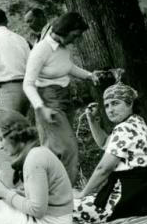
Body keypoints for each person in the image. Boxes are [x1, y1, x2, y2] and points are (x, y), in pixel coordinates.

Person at [23, 11, 100, 186]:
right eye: (75, 35)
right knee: (69, 148)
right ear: (66, 30)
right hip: (48, 101)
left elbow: (67, 66)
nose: (76, 39)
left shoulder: (63, 48)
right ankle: (65, 191)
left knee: (53, 150)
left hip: (65, 98)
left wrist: (89, 75)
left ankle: (47, 190)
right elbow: (28, 83)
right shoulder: (42, 49)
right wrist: (41, 107)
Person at [75, 82, 147, 223]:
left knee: (66, 206)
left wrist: (82, 193)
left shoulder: (123, 129)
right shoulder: (142, 126)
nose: (110, 110)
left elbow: (103, 169)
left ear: (129, 103)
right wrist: (92, 120)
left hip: (129, 201)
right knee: (78, 199)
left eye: (115, 103)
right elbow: (104, 143)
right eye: (107, 105)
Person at [0, 8, 30, 187]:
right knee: (21, 136)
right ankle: (23, 182)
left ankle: (7, 186)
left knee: (3, 137)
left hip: (6, 89)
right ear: (7, 21)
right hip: (25, 89)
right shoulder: (20, 39)